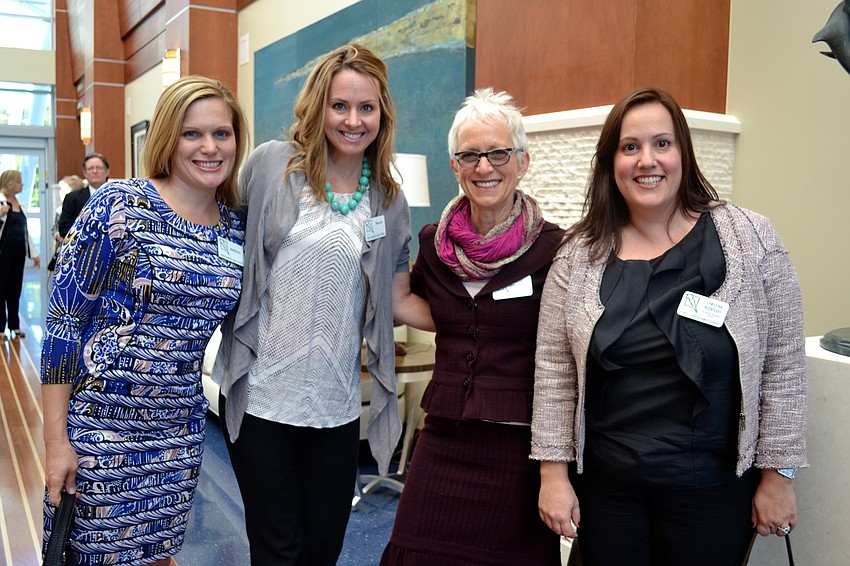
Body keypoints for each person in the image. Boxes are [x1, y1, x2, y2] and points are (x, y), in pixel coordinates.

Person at [531, 86, 807, 566]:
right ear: (610, 162)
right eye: (630, 147)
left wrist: (778, 476)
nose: (646, 160)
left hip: (713, 490)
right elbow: (554, 371)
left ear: (683, 152)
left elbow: (783, 366)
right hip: (608, 489)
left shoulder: (752, 239)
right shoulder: (577, 257)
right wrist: (552, 475)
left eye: (662, 143)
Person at [212, 43, 425, 565]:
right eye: (339, 106)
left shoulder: (388, 200)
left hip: (335, 409)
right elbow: (219, 237)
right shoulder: (270, 166)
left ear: (382, 114)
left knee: (324, 550)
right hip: (263, 401)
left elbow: (398, 298)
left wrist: (479, 315)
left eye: (366, 108)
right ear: (318, 107)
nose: (353, 120)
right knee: (278, 549)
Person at [41, 75, 249, 566]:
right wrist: (55, 442)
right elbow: (63, 326)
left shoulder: (235, 226)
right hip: (101, 429)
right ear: (168, 139)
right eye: (192, 134)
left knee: (158, 558)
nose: (209, 147)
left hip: (178, 434)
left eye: (221, 133)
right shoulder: (120, 205)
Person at [381, 88, 564, 565]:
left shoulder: (555, 249)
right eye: (470, 155)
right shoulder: (433, 243)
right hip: (444, 434)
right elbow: (423, 305)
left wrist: (557, 466)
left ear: (521, 162)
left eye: (498, 152)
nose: (485, 167)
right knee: (414, 548)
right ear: (454, 167)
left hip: (517, 445)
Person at [0, 169, 41, 340]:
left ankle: (14, 326)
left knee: (15, 290)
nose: (22, 184)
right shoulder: (1, 202)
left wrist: (34, 254)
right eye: (18, 181)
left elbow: (25, 233)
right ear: (9, 183)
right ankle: (1, 329)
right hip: (2, 253)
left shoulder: (20, 205)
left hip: (18, 253)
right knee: (0, 290)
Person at [56, 152, 110, 241]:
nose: (95, 171)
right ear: (85, 173)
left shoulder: (118, 196)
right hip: (82, 249)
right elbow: (64, 229)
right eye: (90, 168)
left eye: (99, 168)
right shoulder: (72, 198)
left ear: (107, 171)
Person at [47, 174, 86, 272]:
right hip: (63, 250)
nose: (60, 193)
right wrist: (57, 236)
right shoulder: (59, 210)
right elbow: (54, 228)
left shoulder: (85, 209)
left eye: (63, 189)